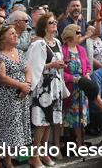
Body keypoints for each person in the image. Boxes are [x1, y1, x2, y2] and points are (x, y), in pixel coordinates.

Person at [26, 14, 66, 167]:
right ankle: (34, 155)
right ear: (44, 26)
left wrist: (60, 66)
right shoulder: (38, 44)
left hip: (55, 85)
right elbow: (32, 67)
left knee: (50, 121)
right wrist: (51, 65)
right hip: (43, 87)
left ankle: (43, 152)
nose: (54, 24)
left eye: (55, 21)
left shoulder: (56, 42)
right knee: (41, 122)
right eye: (51, 22)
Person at [0, 25, 32, 168]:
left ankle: (8, 161)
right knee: (2, 130)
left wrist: (27, 84)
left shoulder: (20, 52)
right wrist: (20, 86)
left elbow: (28, 70)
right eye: (12, 34)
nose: (16, 36)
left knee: (14, 131)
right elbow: (2, 78)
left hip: (21, 97)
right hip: (6, 98)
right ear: (3, 37)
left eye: (16, 33)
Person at [61, 23, 91, 148]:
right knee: (68, 117)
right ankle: (65, 142)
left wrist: (88, 74)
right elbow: (60, 71)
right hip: (69, 88)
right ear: (71, 35)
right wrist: (72, 79)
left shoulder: (82, 50)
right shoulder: (63, 50)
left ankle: (80, 142)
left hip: (82, 89)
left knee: (81, 118)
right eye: (78, 32)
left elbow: (88, 66)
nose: (80, 35)